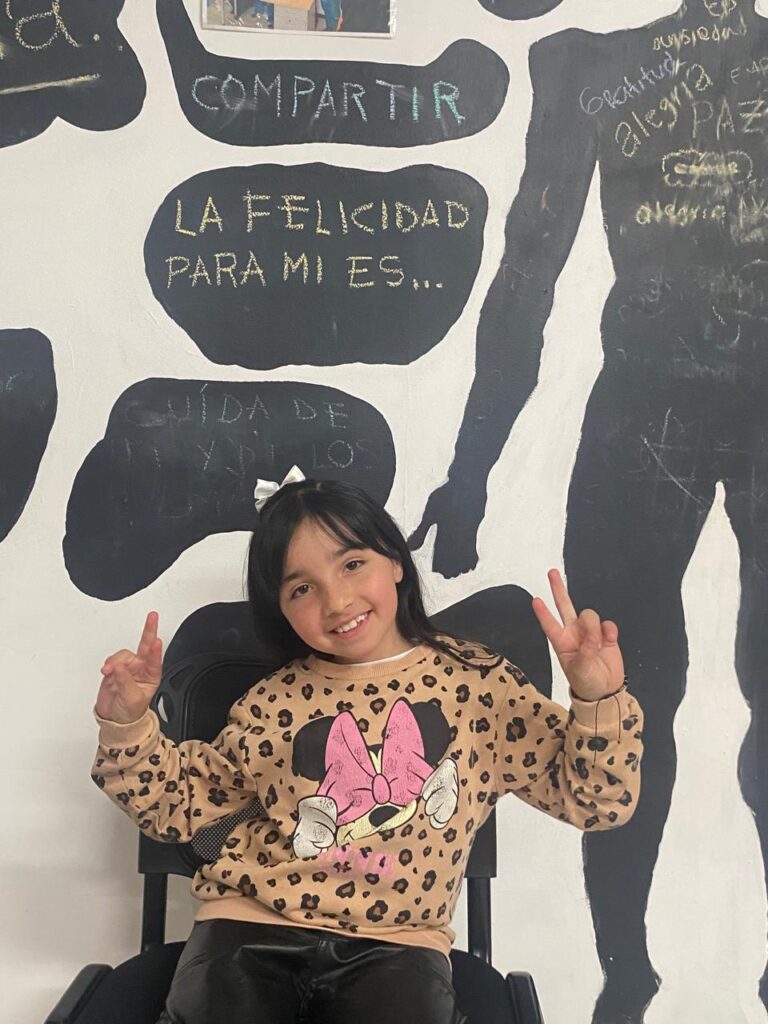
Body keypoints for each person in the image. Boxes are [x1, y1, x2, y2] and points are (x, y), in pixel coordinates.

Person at [408, 2, 768, 1020]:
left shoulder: (593, 67)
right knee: (624, 695)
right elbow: (528, 274)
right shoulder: (586, 66)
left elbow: (527, 276)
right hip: (651, 408)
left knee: (633, 693)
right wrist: (470, 472)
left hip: (649, 408)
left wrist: (471, 473)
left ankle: (624, 969)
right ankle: (625, 967)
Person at [92, 476, 644, 1024]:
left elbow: (597, 801)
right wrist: (127, 723)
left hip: (401, 943)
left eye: (352, 564)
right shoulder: (272, 700)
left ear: (396, 561)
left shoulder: (479, 687)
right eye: (301, 589)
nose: (337, 601)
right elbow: (178, 803)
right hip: (250, 924)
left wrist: (598, 700)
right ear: (280, 608)